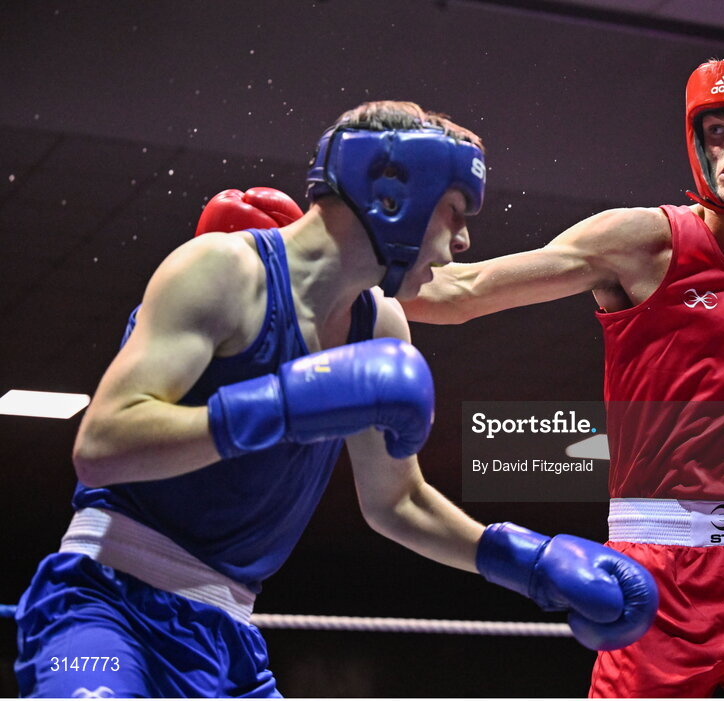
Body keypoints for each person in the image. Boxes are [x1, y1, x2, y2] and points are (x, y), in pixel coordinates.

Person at [13, 101, 658, 698]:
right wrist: (284, 403)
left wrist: (530, 563)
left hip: (226, 635)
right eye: (455, 212)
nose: (461, 241)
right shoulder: (222, 270)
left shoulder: (379, 325)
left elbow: (396, 502)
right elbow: (101, 446)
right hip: (101, 606)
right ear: (394, 197)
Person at [402, 47, 724, 697]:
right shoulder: (642, 242)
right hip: (662, 577)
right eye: (716, 132)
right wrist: (308, 263)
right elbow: (461, 292)